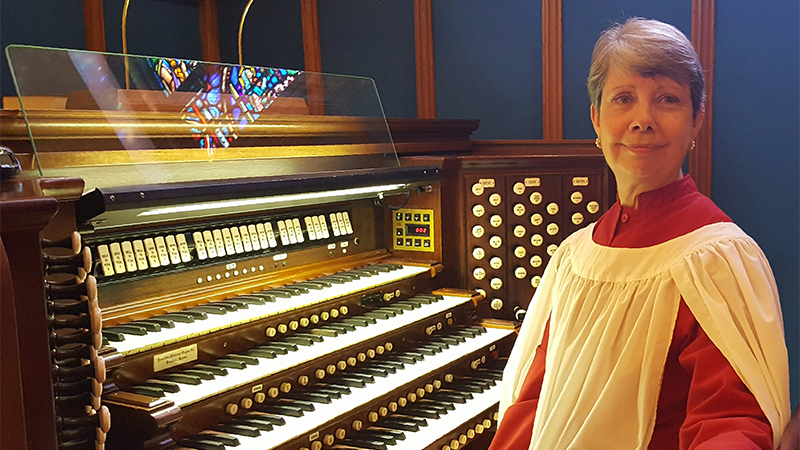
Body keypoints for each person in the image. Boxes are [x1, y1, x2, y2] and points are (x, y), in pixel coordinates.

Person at [490, 17, 791, 450]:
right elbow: (534, 404)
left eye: (668, 100)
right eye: (623, 99)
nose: (642, 120)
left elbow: (730, 419)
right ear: (596, 119)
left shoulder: (717, 260)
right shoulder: (576, 257)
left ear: (696, 120)